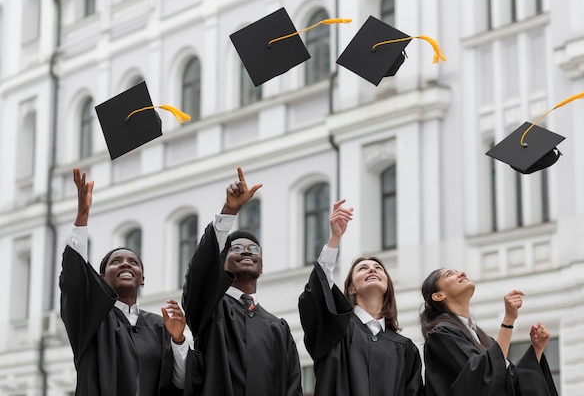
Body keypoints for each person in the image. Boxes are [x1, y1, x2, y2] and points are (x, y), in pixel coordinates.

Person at [59, 167, 189, 396]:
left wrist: (178, 339)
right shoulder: (91, 320)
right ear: (101, 278)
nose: (126, 264)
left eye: (133, 262)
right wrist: (82, 216)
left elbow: (179, 383)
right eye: (116, 261)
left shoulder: (161, 327)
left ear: (143, 279)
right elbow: (74, 280)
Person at [181, 167, 303, 396]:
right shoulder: (209, 308)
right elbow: (199, 275)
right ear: (222, 263)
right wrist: (229, 212)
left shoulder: (278, 328)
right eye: (236, 248)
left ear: (262, 264)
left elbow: (292, 386)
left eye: (254, 249)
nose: (247, 252)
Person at [298, 199, 424, 396]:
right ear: (351, 289)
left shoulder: (406, 349)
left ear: (387, 287)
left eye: (378, 268)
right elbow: (318, 291)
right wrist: (334, 239)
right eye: (363, 268)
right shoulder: (335, 330)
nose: (372, 269)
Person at [420, 268, 559, 396]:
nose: (461, 273)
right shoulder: (441, 335)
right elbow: (479, 379)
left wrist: (537, 350)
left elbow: (512, 384)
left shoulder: (483, 339)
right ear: (438, 296)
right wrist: (508, 320)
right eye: (449, 274)